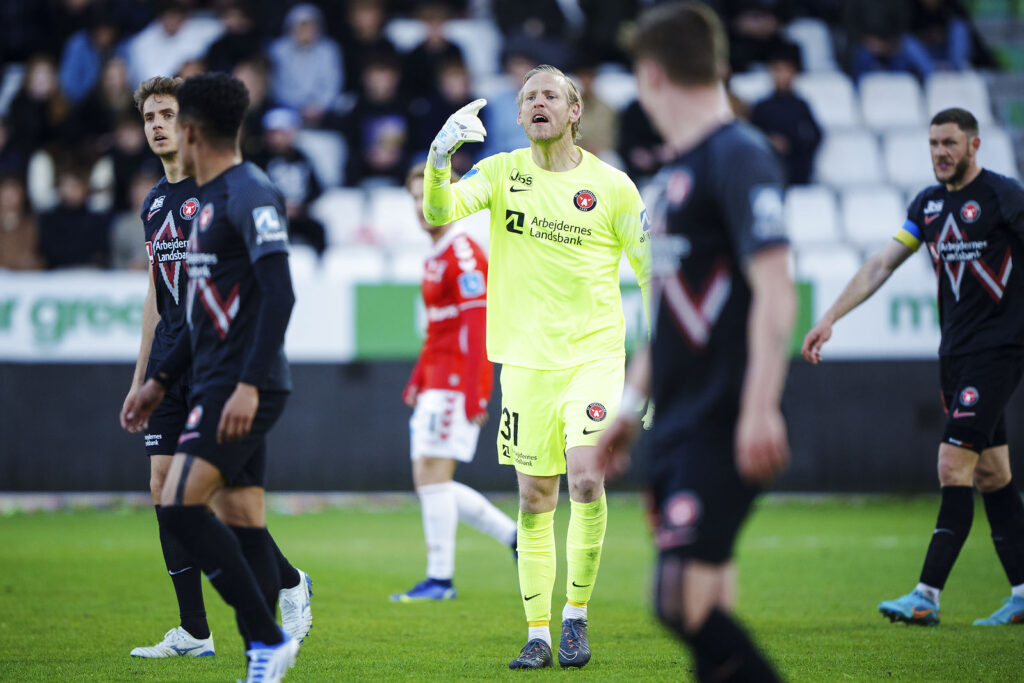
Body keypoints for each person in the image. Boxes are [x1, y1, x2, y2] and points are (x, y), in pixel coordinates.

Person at [422, 64, 651, 669]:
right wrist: (439, 158)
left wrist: (659, 369)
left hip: (596, 356)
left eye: (551, 94)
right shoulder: (499, 173)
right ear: (520, 117)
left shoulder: (615, 187)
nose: (539, 103)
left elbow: (655, 278)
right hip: (525, 363)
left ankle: (575, 617)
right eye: (528, 98)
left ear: (575, 111)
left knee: (585, 480)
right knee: (534, 499)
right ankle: (538, 632)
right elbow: (441, 212)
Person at [598, 3, 795, 680]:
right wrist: (628, 411)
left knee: (677, 599)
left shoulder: (739, 156)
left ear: (650, 74)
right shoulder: (671, 177)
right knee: (703, 603)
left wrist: (760, 405)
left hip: (723, 414)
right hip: (676, 421)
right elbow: (668, 317)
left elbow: (777, 288)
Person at [802, 107, 1024, 627]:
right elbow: (882, 263)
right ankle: (1022, 591)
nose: (940, 153)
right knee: (993, 474)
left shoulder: (1003, 196)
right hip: (956, 354)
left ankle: (926, 595)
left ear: (973, 146)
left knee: (953, 466)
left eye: (950, 143)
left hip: (999, 351)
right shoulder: (927, 206)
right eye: (933, 144)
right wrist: (830, 316)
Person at [119, 76, 313, 663]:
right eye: (148, 115)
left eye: (168, 114)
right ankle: (202, 631)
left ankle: (273, 612)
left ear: (193, 124)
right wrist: (148, 376)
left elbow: (275, 293)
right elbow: (168, 296)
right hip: (180, 362)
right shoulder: (157, 204)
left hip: (229, 373)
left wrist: (249, 382)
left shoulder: (236, 193)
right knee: (178, 492)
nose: (158, 125)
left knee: (202, 501)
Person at [390, 161, 518, 602]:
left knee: (432, 476)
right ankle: (514, 538)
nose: (419, 206)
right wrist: (418, 377)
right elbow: (439, 328)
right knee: (431, 479)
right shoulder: (438, 250)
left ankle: (440, 579)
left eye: (424, 194)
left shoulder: (463, 252)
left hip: (454, 384)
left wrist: (475, 390)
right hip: (437, 381)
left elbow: (477, 325)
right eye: (412, 197)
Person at [750, 41, 822, 186]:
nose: (781, 75)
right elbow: (750, 135)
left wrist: (791, 144)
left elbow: (815, 135)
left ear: (794, 73)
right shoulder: (761, 106)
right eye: (777, 70)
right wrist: (769, 142)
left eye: (786, 70)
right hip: (767, 168)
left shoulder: (801, 105)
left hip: (796, 170)